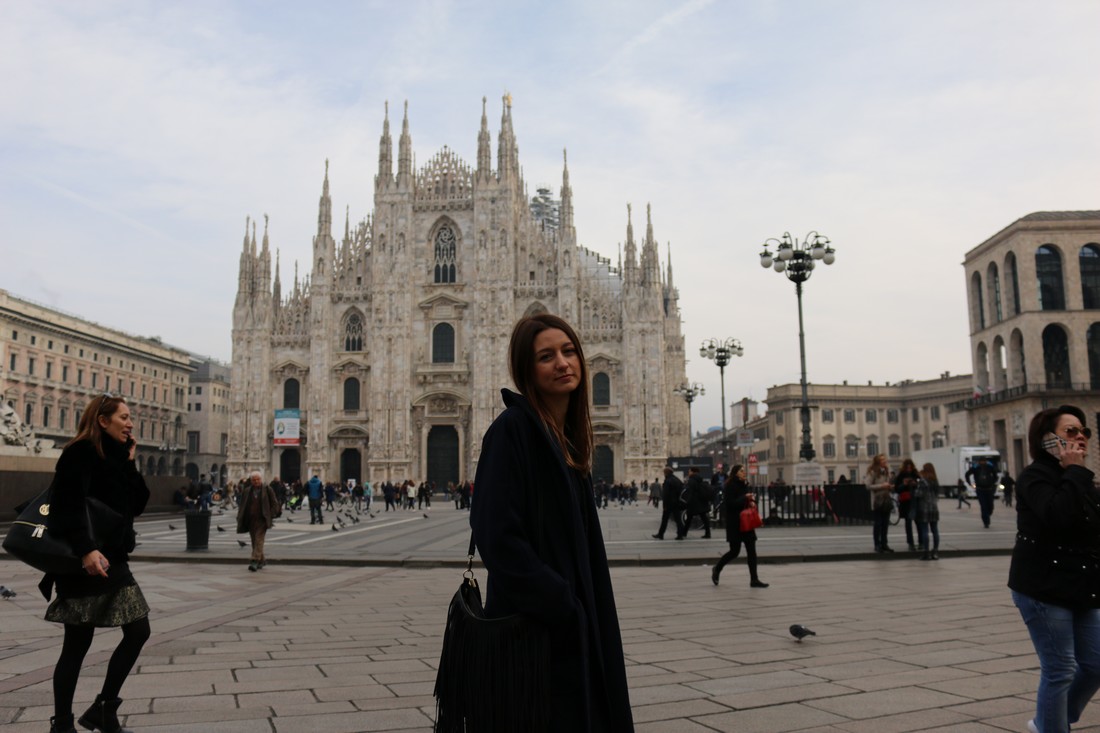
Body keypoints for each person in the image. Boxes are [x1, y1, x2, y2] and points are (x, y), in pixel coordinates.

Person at [470, 314, 634, 731]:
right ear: (527, 370)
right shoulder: (513, 430)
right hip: (534, 631)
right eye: (546, 356)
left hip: (568, 629)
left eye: (569, 351)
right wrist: (561, 603)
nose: (563, 363)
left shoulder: (565, 439)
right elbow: (496, 534)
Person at [43, 395, 151, 733]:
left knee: (138, 630)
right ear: (102, 421)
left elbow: (139, 503)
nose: (130, 423)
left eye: (130, 417)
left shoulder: (117, 457)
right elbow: (66, 505)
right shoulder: (79, 452)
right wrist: (86, 549)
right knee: (77, 644)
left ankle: (104, 707)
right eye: (124, 417)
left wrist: (129, 461)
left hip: (113, 559)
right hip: (83, 562)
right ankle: (62, 724)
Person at [1009, 405, 1100, 733]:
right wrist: (1074, 471)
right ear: (1048, 440)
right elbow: (1056, 515)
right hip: (1044, 587)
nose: (1080, 438)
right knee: (1060, 669)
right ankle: (1052, 726)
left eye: (1084, 432)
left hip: (1082, 586)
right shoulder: (1035, 476)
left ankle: (1052, 721)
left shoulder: (1083, 480)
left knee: (1094, 665)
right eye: (1070, 432)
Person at [712, 465, 768, 588]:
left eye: (744, 471)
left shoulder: (744, 484)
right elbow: (730, 504)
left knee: (751, 551)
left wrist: (752, 501)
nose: (744, 472)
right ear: (735, 473)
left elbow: (744, 501)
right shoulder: (730, 485)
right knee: (734, 551)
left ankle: (754, 579)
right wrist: (745, 497)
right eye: (741, 471)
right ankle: (717, 568)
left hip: (746, 522)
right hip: (735, 522)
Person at [236, 470, 281, 571]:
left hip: (262, 519)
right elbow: (242, 505)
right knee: (254, 541)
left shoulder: (267, 489)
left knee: (259, 540)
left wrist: (271, 515)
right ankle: (262, 560)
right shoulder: (247, 490)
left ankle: (254, 561)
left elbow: (274, 503)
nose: (256, 481)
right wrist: (240, 516)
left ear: (261, 479)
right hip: (251, 519)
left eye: (258, 479)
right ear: (251, 481)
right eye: (254, 480)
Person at [866, 454, 893, 553]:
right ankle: (877, 544)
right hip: (877, 501)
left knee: (885, 523)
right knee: (878, 523)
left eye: (885, 460)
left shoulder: (886, 472)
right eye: (883, 460)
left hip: (886, 499)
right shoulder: (872, 472)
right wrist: (882, 485)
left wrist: (889, 486)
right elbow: (868, 486)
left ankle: (884, 543)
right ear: (878, 462)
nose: (885, 462)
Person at [914, 463, 941, 560]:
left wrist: (915, 490)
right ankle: (935, 552)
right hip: (934, 508)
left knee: (925, 530)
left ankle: (926, 553)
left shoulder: (923, 481)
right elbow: (937, 494)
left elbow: (919, 494)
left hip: (924, 508)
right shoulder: (935, 481)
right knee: (935, 530)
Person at [894, 458, 920, 551]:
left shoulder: (916, 474)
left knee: (918, 522)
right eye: (907, 467)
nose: (909, 469)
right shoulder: (901, 476)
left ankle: (921, 542)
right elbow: (897, 489)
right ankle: (910, 542)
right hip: (906, 502)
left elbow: (920, 485)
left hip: (915, 500)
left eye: (910, 467)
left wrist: (915, 484)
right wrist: (904, 484)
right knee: (908, 522)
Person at [652, 466, 685, 540]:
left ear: (666, 473)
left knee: (665, 519)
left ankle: (661, 534)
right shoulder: (677, 480)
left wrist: (664, 505)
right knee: (678, 520)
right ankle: (680, 534)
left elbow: (666, 494)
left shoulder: (668, 481)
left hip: (669, 503)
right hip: (676, 502)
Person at [966, 456, 999, 528]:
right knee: (983, 506)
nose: (983, 463)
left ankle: (988, 514)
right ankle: (986, 522)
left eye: (984, 461)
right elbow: (967, 474)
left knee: (990, 506)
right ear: (979, 462)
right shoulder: (975, 467)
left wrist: (993, 482)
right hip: (980, 489)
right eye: (982, 461)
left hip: (989, 489)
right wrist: (969, 483)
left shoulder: (990, 467)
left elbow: (995, 475)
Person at [680, 466, 712, 539]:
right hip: (701, 501)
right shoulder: (700, 478)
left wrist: (687, 501)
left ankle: (684, 533)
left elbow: (690, 491)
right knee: (704, 518)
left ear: (693, 472)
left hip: (694, 502)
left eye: (689, 471)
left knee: (689, 518)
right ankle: (708, 533)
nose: (688, 472)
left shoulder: (692, 480)